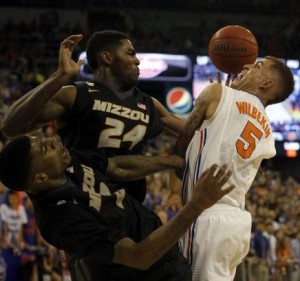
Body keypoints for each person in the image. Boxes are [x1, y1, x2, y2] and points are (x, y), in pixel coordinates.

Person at [0, 135, 234, 281]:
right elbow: (137, 256)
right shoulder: (60, 219)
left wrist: (170, 161)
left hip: (167, 259)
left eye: (43, 139)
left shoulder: (67, 162)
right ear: (40, 178)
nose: (53, 141)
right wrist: (197, 205)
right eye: (44, 149)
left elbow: (115, 167)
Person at [1, 31, 184, 203]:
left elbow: (191, 132)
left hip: (130, 209)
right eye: (130, 53)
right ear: (107, 57)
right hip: (81, 207)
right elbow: (10, 126)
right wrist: (60, 77)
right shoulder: (76, 94)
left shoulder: (149, 104)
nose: (137, 61)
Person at [173, 57, 295, 281]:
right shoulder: (267, 128)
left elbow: (181, 141)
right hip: (236, 224)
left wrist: (223, 95)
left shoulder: (218, 94)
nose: (245, 66)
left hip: (208, 215)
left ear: (266, 84)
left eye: (257, 66)